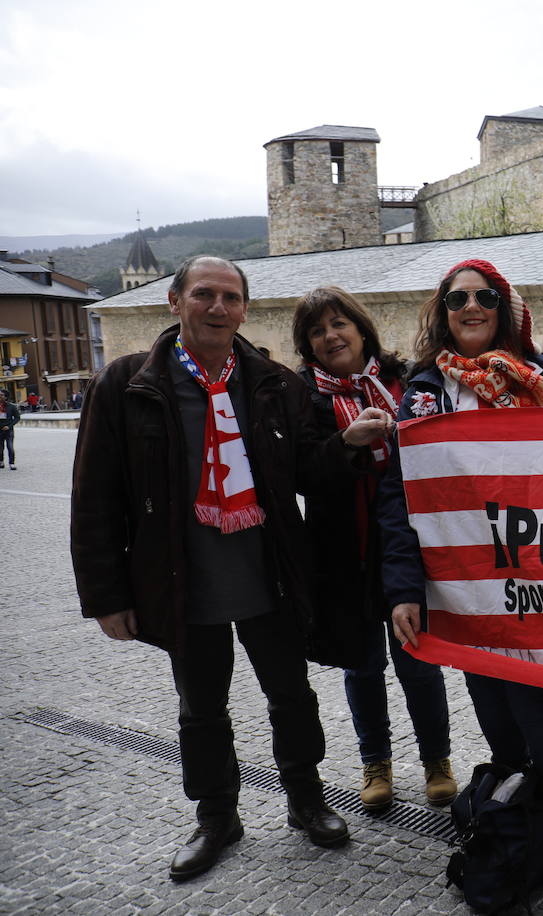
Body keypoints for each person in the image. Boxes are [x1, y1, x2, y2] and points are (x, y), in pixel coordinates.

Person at [69, 256, 394, 881]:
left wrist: (347, 448)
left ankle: (306, 799)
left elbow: (306, 468)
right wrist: (106, 596)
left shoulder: (272, 383)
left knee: (291, 697)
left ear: (245, 309)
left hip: (268, 572)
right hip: (182, 580)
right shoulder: (127, 385)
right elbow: (95, 498)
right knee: (200, 708)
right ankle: (217, 816)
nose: (218, 308)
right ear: (175, 301)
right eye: (204, 295)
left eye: (231, 298)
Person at [377, 258, 543, 912]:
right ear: (442, 312)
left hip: (536, 580)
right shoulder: (423, 395)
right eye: (456, 299)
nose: (470, 307)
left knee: (537, 706)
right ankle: (527, 822)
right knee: (493, 709)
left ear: (504, 308)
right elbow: (398, 497)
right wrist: (403, 588)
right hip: (460, 586)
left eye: (484, 297)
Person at [291, 286, 456, 812]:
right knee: (361, 665)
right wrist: (345, 444)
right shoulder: (305, 397)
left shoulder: (405, 382)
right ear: (307, 345)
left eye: (339, 324)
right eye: (317, 331)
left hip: (408, 545)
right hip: (343, 551)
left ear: (362, 329)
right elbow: (300, 474)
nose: (331, 336)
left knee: (418, 658)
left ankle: (437, 760)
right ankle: (375, 764)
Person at [0, 390, 18, 469]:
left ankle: (11, 463)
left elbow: (17, 417)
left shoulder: (11, 406)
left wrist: (9, 426)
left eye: (1, 395)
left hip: (8, 430)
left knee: (10, 446)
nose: (0, 396)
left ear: (6, 397)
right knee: (0, 448)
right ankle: (1, 462)